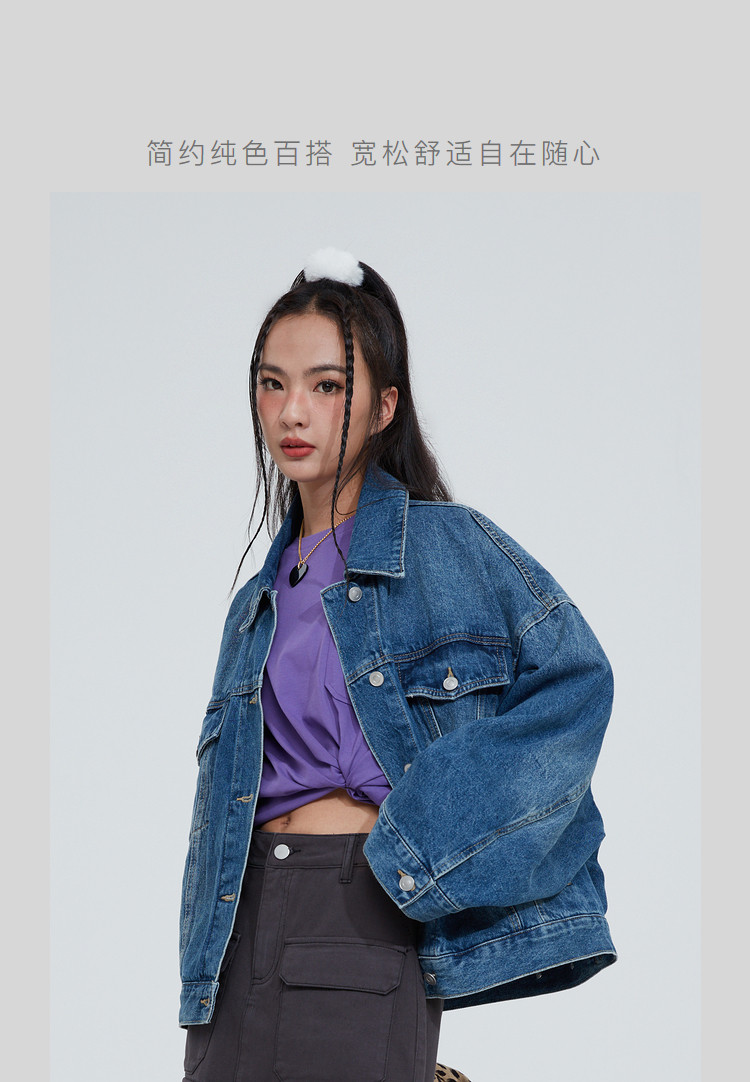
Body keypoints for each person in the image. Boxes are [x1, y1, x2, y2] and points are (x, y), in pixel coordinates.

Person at [178, 248, 617, 1082]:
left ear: (384, 407)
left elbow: (574, 684)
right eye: (272, 383)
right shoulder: (253, 605)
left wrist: (424, 837)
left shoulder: (449, 547)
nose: (292, 410)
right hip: (234, 937)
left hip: (362, 910)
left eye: (326, 385)